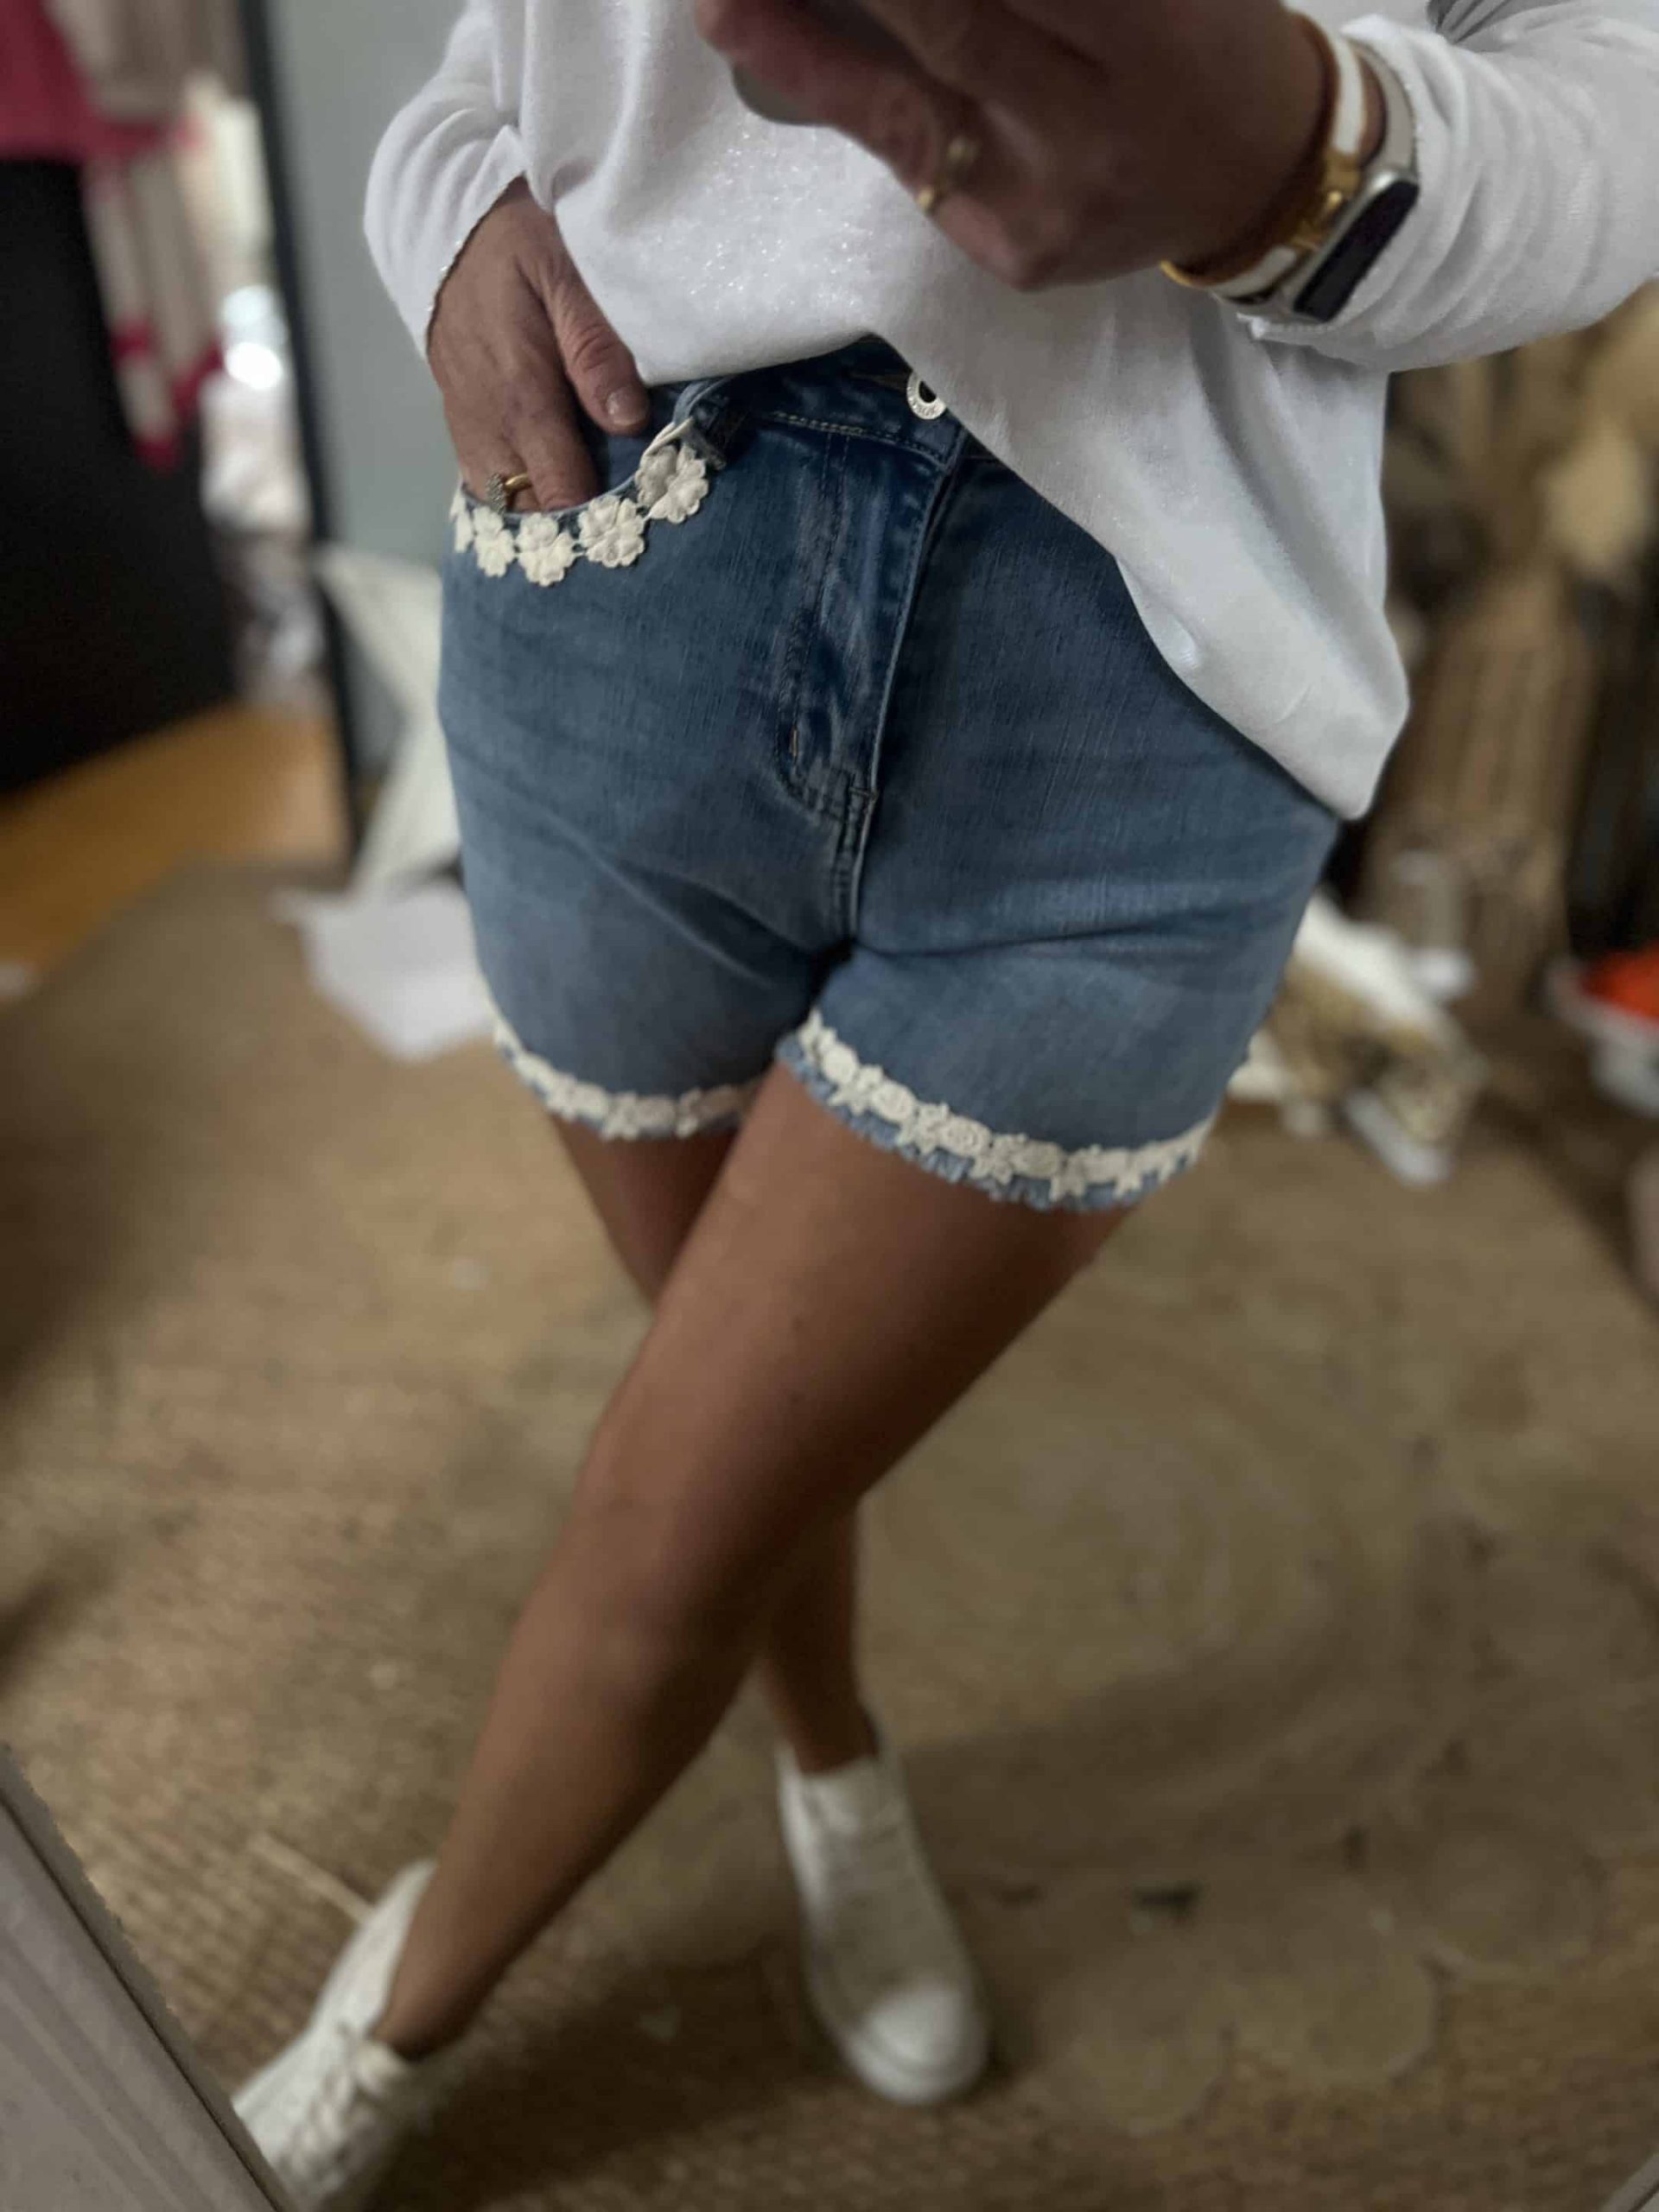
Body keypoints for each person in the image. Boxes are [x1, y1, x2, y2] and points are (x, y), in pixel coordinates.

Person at [233, 2, 1659, 2202]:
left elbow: (1619, 96)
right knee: (721, 1420)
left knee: (667, 1516)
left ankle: (367, 2045)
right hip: (629, 559)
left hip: (1149, 700)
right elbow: (497, 56)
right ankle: (838, 1764)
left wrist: (1303, 161)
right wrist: (446, 212)